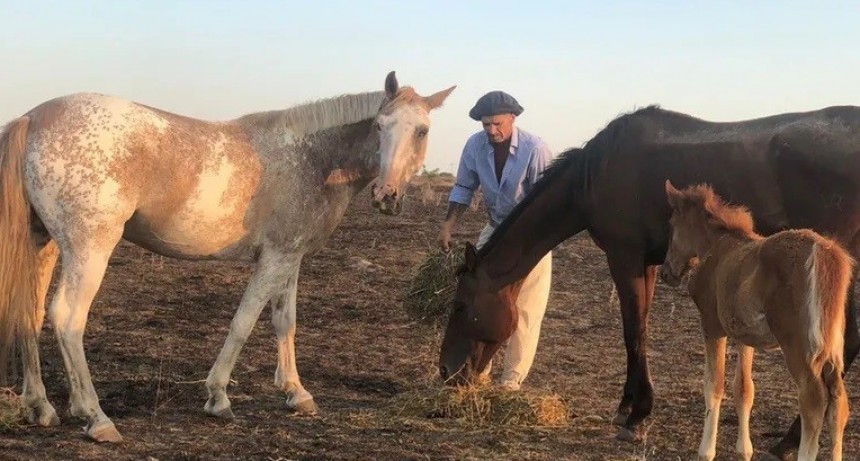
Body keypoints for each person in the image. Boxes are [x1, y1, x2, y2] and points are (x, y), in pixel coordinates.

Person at [438, 90, 554, 390]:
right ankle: (480, 373)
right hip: (495, 229)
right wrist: (448, 225)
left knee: (526, 309)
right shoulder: (475, 146)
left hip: (532, 239)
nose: (492, 130)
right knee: (481, 300)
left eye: (497, 124)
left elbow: (547, 202)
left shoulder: (535, 148)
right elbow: (464, 186)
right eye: (486, 125)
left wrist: (533, 246)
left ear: (512, 119)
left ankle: (511, 382)